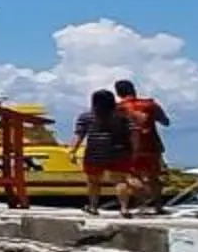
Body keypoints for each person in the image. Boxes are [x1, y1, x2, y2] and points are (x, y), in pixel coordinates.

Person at [73, 87, 133, 216]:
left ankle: (93, 207)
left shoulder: (86, 116)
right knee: (120, 180)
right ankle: (124, 208)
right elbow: (132, 134)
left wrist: (73, 151)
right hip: (119, 150)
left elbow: (80, 135)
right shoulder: (122, 116)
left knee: (93, 181)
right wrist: (135, 149)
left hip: (95, 151)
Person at [114, 80, 172, 214]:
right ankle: (158, 206)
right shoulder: (150, 104)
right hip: (152, 144)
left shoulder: (118, 108)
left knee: (132, 176)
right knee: (154, 177)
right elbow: (165, 121)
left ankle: (142, 203)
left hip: (130, 147)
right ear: (133, 89)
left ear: (118, 93)